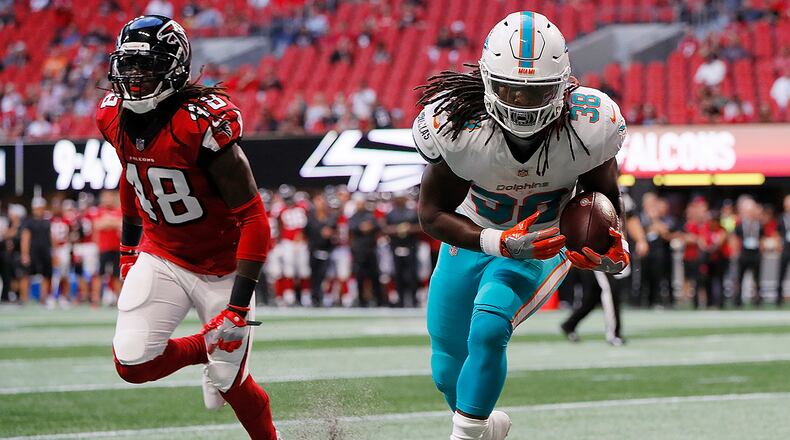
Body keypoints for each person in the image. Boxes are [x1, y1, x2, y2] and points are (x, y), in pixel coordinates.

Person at [413, 11, 631, 439]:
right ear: (488, 81)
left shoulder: (591, 125)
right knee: (446, 368)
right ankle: (487, 426)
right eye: (512, 89)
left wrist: (608, 246)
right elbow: (431, 214)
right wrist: (499, 242)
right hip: (474, 239)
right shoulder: (458, 126)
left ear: (563, 85)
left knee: (490, 326)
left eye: (537, 92)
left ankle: (467, 435)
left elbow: (603, 199)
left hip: (543, 243)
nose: (523, 104)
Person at [96, 16, 279, 439]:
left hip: (223, 265)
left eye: (148, 66)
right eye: (129, 65)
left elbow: (254, 218)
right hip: (164, 255)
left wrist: (235, 309)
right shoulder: (111, 116)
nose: (135, 77)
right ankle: (203, 347)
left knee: (230, 383)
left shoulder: (202, 124)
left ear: (174, 67)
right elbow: (132, 175)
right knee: (132, 362)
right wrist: (128, 250)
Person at [561, 191, 648, 345]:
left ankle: (570, 324)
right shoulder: (585, 190)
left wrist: (641, 239)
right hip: (595, 251)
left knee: (593, 296)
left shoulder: (621, 193)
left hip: (614, 251)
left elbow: (631, 217)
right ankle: (614, 333)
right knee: (611, 289)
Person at [384, 191, 422, 307]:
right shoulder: (391, 214)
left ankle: (414, 299)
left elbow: (421, 227)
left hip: (410, 246)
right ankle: (400, 300)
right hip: (396, 246)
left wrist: (408, 228)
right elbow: (385, 228)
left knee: (412, 274)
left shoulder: (412, 212)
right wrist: (397, 229)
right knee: (398, 274)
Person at [304, 193, 336, 307]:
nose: (320, 204)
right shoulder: (310, 217)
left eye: (322, 201)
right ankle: (314, 297)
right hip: (314, 249)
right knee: (314, 275)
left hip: (327, 250)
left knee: (326, 275)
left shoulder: (331, 217)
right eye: (318, 201)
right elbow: (305, 233)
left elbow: (337, 234)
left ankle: (326, 297)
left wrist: (332, 234)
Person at [19, 197, 52, 306]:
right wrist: (25, 254)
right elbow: (25, 238)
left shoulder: (47, 222)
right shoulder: (28, 222)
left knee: (46, 275)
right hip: (33, 252)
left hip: (45, 252)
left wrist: (53, 252)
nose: (39, 210)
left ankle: (44, 298)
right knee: (26, 274)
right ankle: (24, 298)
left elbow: (50, 238)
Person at [733, 198, 765, 306]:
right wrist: (736, 251)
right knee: (740, 276)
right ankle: (737, 299)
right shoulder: (739, 224)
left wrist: (762, 250)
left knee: (757, 277)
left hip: (755, 253)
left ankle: (757, 299)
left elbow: (762, 238)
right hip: (744, 253)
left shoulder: (759, 224)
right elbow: (735, 239)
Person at [778, 194, 790, 307]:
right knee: (781, 272)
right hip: (785, 248)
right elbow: (777, 233)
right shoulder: (781, 218)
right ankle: (778, 297)